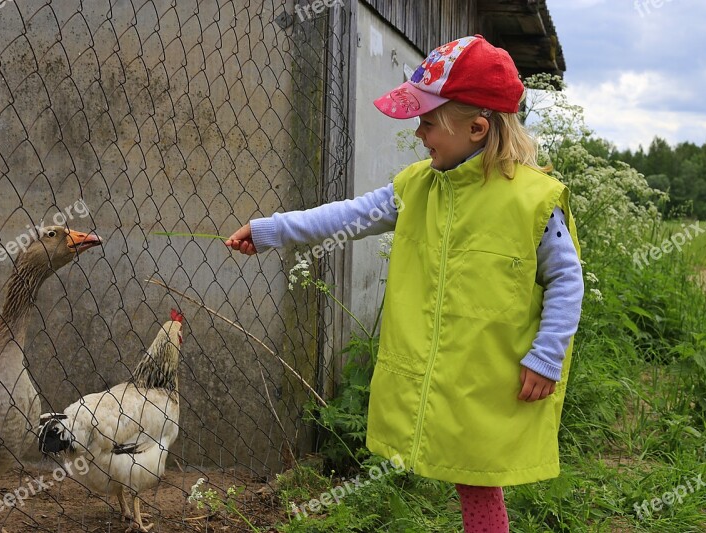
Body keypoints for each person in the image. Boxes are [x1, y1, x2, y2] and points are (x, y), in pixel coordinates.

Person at [226, 35, 584, 533]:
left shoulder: (534, 201)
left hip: (492, 372)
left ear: (477, 128)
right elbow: (346, 216)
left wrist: (547, 354)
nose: (418, 133)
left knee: (478, 476)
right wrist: (272, 230)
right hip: (442, 372)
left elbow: (567, 280)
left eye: (428, 121)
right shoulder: (416, 187)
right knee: (472, 479)